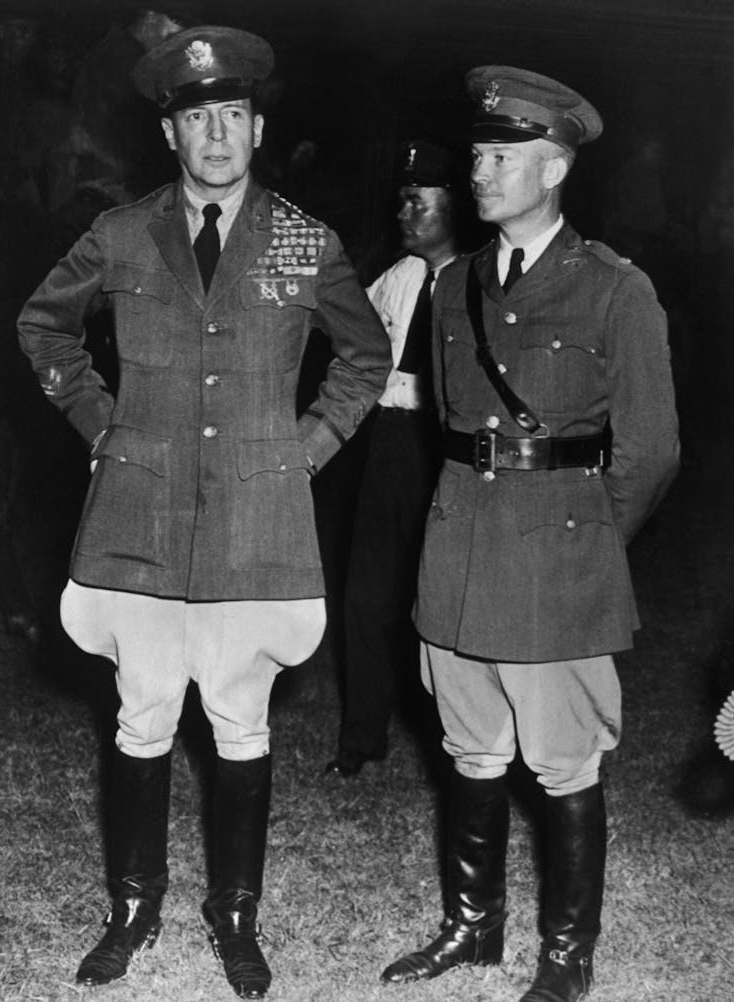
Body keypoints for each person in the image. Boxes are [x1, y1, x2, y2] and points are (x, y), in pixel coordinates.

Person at [17, 25, 390, 1000]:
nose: (216, 134)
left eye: (233, 116)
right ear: (171, 135)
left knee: (239, 722)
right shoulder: (121, 232)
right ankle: (133, 909)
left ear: (258, 128)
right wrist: (99, 421)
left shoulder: (307, 240)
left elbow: (365, 355)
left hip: (252, 533)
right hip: (137, 523)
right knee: (140, 719)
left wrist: (306, 448)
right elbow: (42, 323)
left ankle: (235, 919)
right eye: (197, 119)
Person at [380, 66, 679, 1002]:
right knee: (471, 750)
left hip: (558, 556)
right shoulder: (454, 284)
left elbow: (653, 452)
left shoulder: (615, 292)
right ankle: (473, 929)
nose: (481, 170)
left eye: (502, 156)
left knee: (563, 760)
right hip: (458, 548)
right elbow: (448, 428)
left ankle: (565, 950)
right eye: (478, 154)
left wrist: (587, 541)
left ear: (553, 169)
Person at [325, 140, 462, 777]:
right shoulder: (397, 277)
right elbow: (342, 333)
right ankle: (362, 735)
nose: (403, 213)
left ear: (455, 206)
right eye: (400, 199)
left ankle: (459, 742)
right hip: (388, 442)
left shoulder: (483, 283)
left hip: (452, 451)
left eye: (417, 200)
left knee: (446, 600)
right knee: (366, 593)